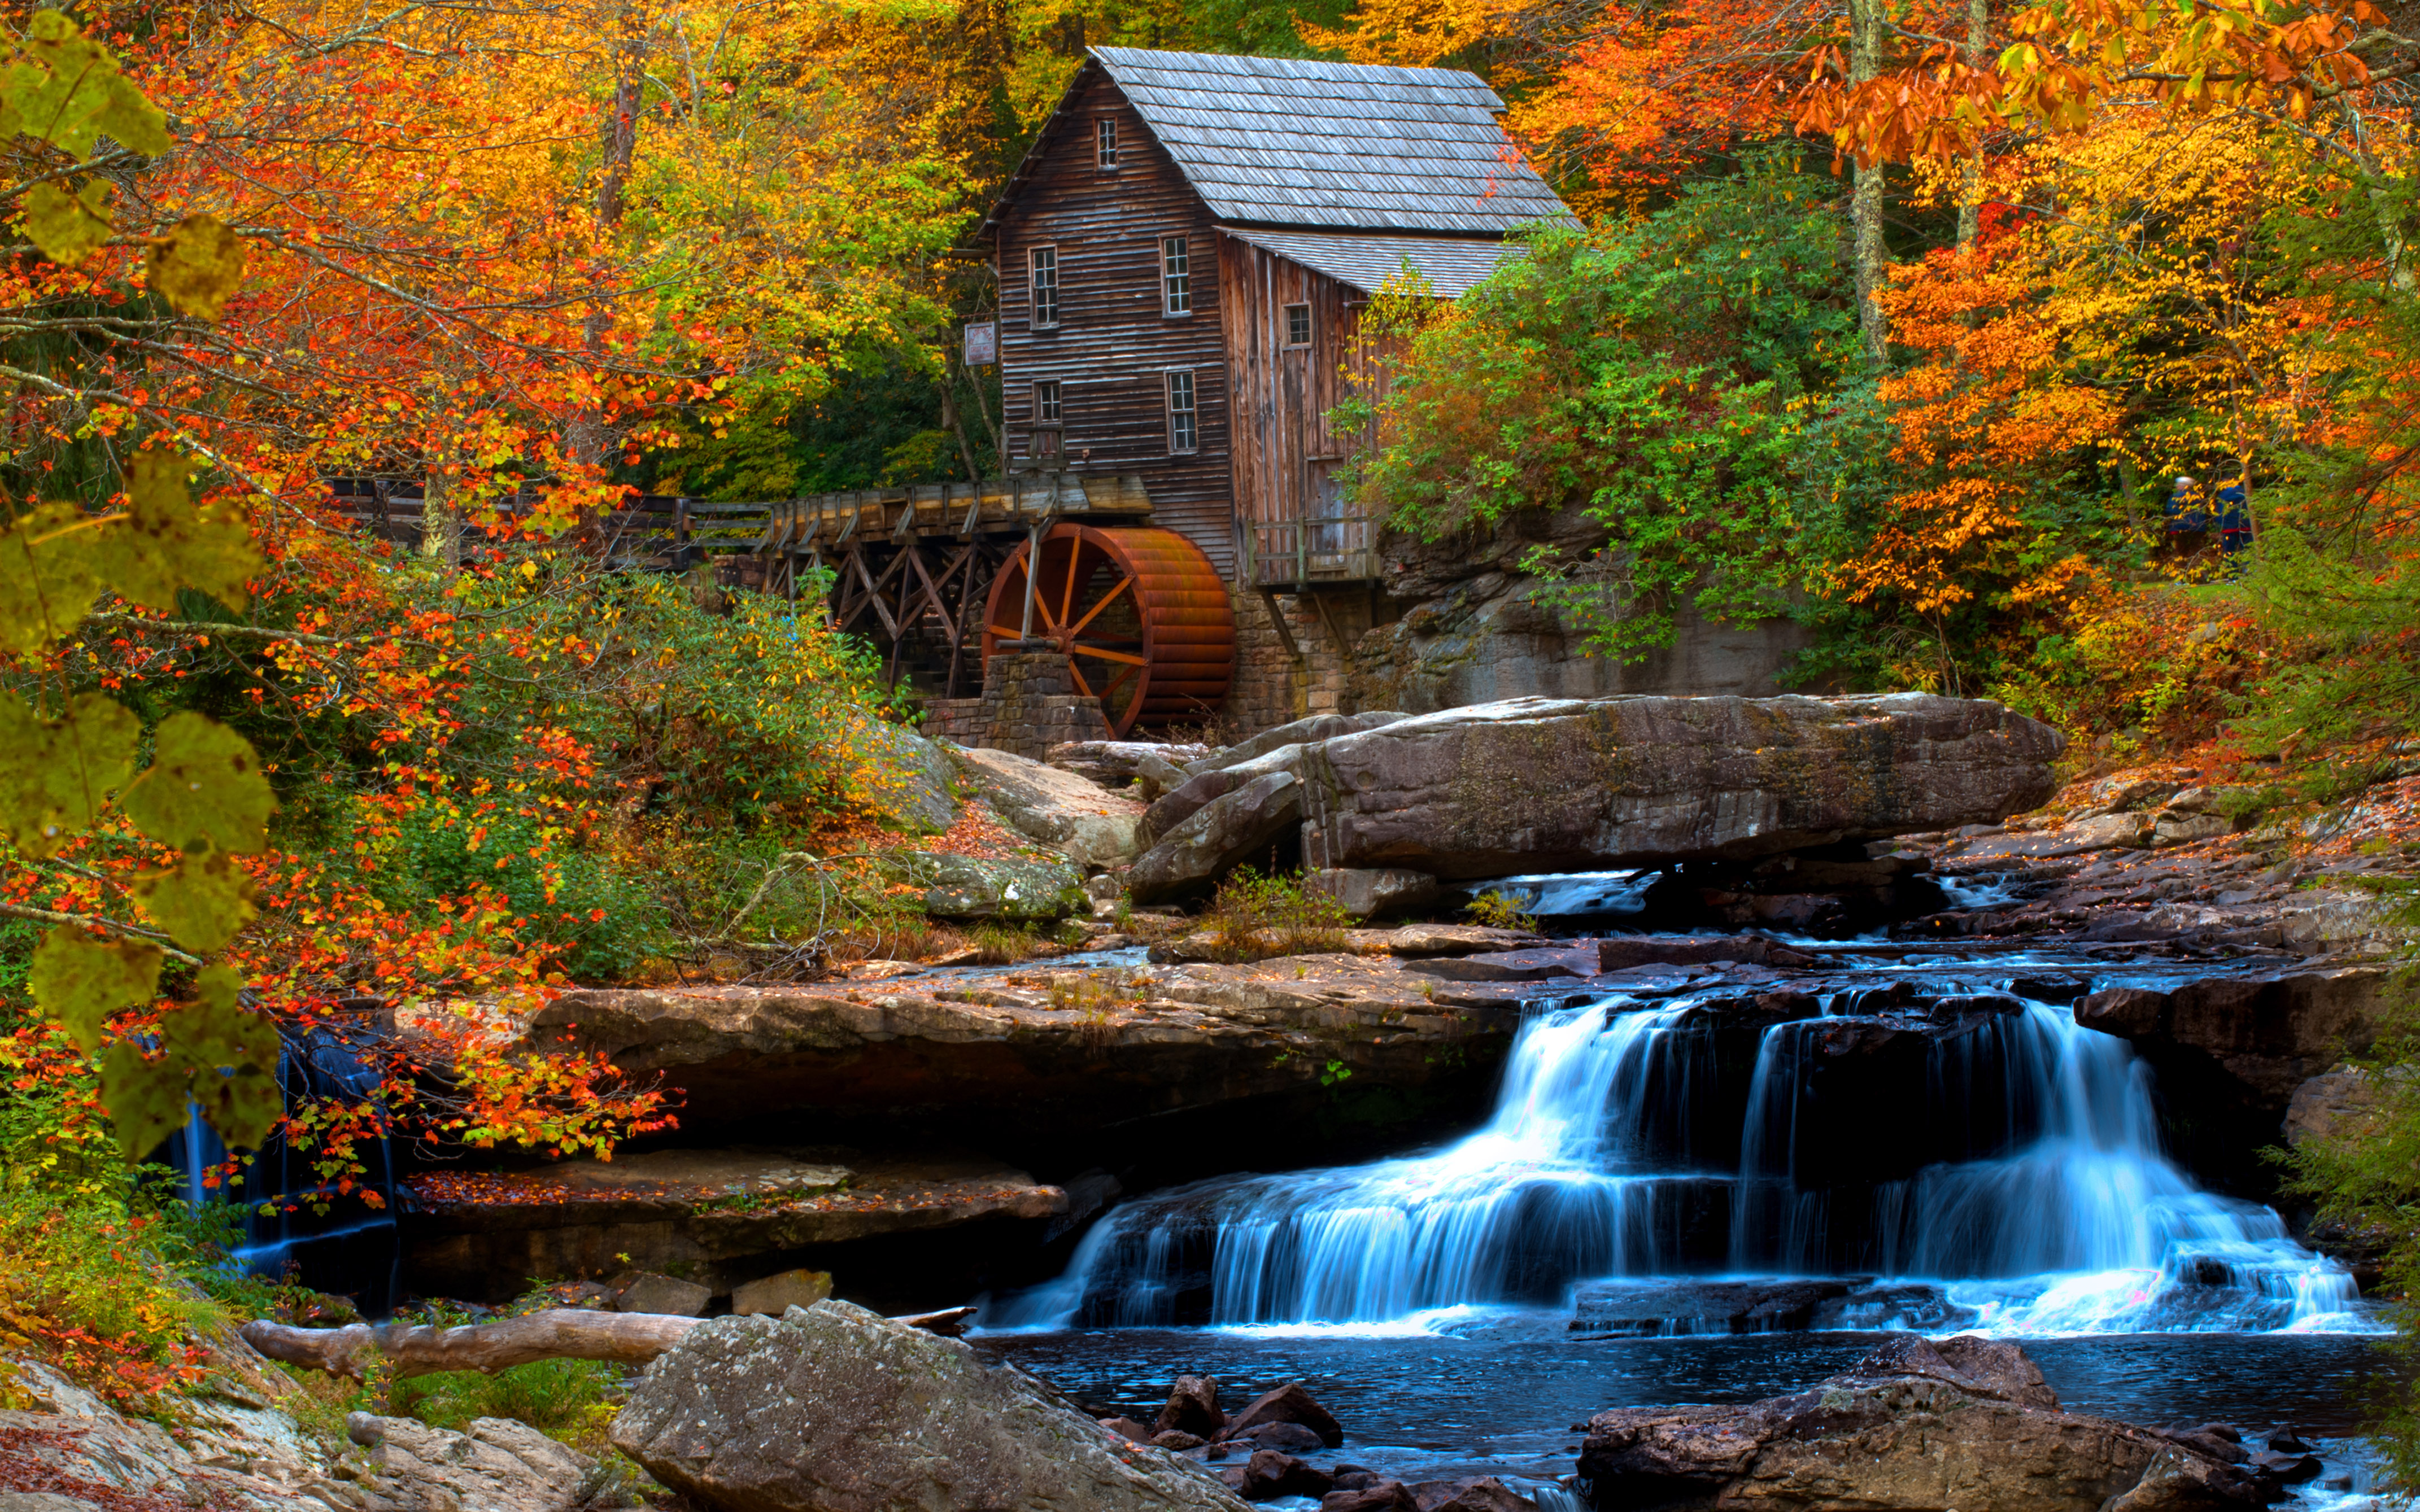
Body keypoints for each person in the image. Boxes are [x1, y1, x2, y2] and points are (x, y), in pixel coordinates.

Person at [2164, 475, 2210, 560]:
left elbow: (2171, 511)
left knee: (2181, 552)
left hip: (2180, 528)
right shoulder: (2199, 497)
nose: (2177, 486)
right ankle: (2197, 569)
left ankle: (2183, 569)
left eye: (2179, 484)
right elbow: (2203, 513)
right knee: (2196, 551)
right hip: (2197, 528)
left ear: (2184, 486)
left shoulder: (2175, 497)